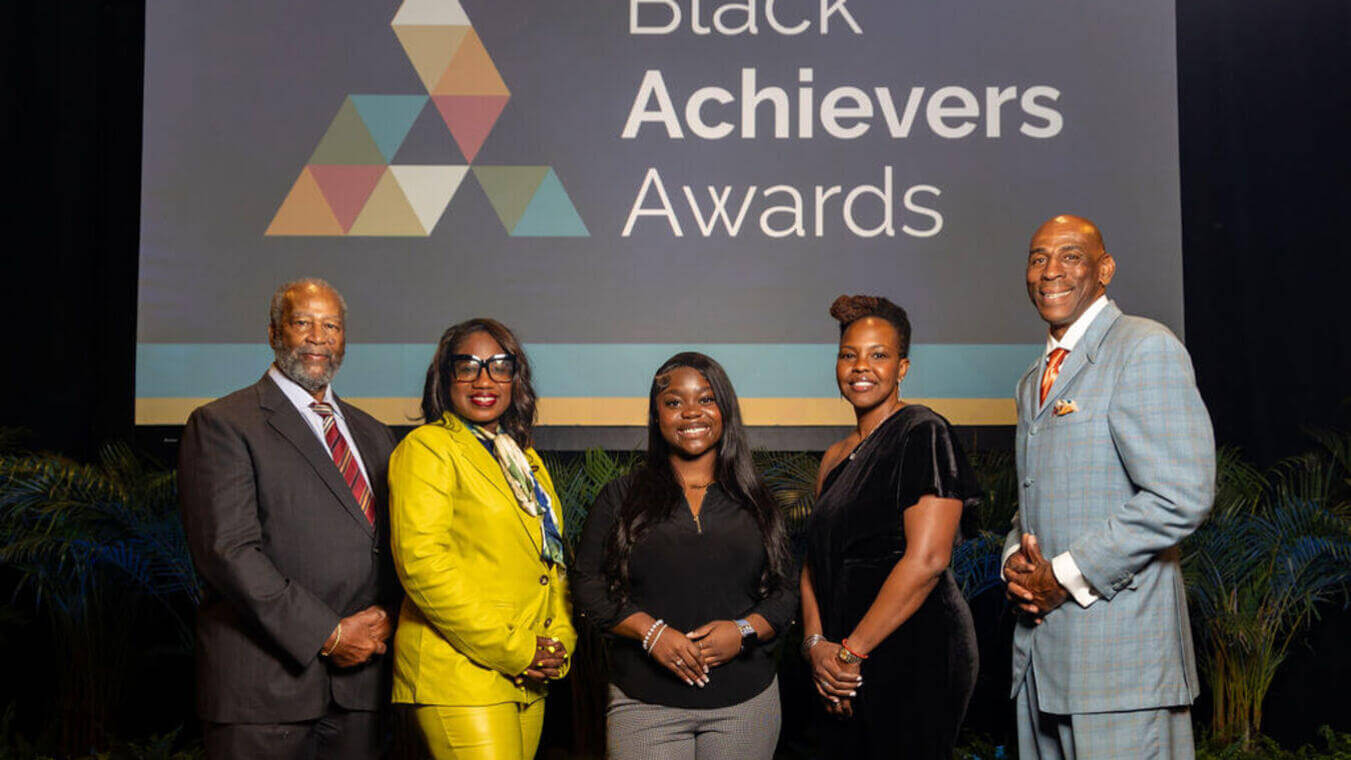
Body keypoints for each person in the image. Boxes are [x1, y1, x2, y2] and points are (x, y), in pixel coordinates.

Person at [1002, 214, 1215, 759]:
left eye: (1071, 256)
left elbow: (1180, 494)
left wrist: (1064, 576)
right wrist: (1016, 563)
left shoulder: (1144, 347)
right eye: (1038, 258)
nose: (1051, 271)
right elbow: (1033, 501)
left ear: (1105, 270)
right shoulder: (1032, 380)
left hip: (1122, 668)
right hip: (1042, 663)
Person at [178, 278, 399, 759]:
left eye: (331, 326)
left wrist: (388, 615)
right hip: (264, 692)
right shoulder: (223, 423)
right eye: (303, 323)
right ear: (275, 332)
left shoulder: (375, 434)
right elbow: (228, 553)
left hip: (361, 689)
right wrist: (328, 634)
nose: (318, 337)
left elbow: (395, 543)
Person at [571, 352, 796, 760]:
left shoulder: (758, 501)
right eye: (674, 402)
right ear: (657, 415)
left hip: (745, 703)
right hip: (644, 703)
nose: (690, 412)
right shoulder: (620, 497)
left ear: (725, 410)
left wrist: (742, 630)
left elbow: (785, 592)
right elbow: (588, 584)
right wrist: (650, 631)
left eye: (706, 399)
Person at [387, 318, 576, 760]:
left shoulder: (524, 458)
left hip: (528, 675)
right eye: (467, 366)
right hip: (461, 675)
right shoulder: (428, 448)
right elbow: (423, 566)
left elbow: (553, 564)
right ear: (445, 377)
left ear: (515, 379)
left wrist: (559, 642)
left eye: (499, 366)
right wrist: (517, 649)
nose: (483, 379)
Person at [800, 295, 980, 759]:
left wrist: (850, 655)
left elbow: (928, 560)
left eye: (878, 355)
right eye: (848, 354)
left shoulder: (923, 431)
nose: (861, 367)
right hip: (839, 657)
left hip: (915, 651)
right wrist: (816, 646)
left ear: (902, 367)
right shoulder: (834, 458)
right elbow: (814, 562)